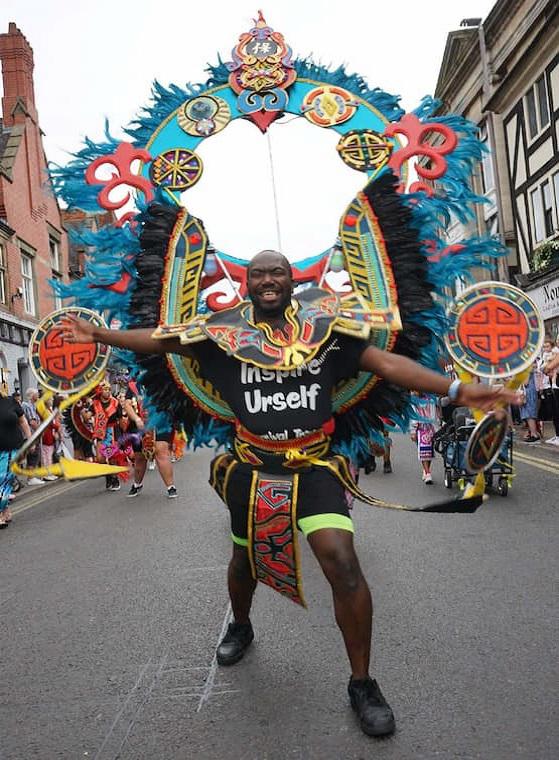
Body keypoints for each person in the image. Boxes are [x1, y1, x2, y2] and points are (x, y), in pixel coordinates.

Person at [61, 250, 519, 738]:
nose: (267, 280)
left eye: (276, 272)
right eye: (257, 274)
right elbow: (158, 339)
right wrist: (101, 335)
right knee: (245, 563)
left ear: (291, 280)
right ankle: (240, 624)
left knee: (342, 563)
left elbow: (385, 363)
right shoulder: (220, 337)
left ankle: (362, 683)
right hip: (253, 472)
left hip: (314, 467)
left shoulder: (326, 332)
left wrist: (456, 390)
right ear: (246, 282)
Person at [121, 383, 178, 499]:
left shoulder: (163, 381)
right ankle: (137, 484)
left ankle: (171, 487)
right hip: (139, 425)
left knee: (161, 452)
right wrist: (137, 419)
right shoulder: (133, 385)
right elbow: (127, 405)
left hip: (160, 422)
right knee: (140, 457)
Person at [0, 384, 31, 527]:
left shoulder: (10, 401)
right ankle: (5, 510)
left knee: (4, 479)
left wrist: (30, 438)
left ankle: (0, 512)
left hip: (11, 448)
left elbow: (23, 420)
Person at [410, 393, 439, 484]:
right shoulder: (413, 401)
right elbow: (412, 416)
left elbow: (435, 414)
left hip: (432, 428)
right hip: (420, 428)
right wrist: (413, 430)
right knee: (423, 450)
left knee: (429, 451)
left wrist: (437, 428)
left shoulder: (431, 399)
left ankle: (426, 470)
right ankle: (427, 473)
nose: (413, 392)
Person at [22, 388, 44, 486]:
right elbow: (32, 422)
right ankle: (31, 478)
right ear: (32, 396)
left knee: (32, 456)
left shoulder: (32, 406)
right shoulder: (29, 406)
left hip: (31, 435)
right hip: (32, 435)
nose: (38, 395)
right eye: (36, 394)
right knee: (33, 456)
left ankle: (31, 476)